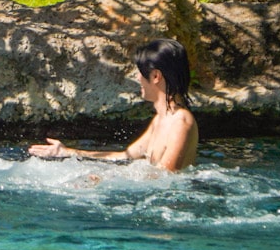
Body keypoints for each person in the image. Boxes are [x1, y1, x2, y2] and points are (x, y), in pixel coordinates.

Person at [27, 38, 199, 171]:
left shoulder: (180, 123)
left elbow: (166, 177)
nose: (138, 78)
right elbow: (126, 156)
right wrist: (67, 152)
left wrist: (107, 180)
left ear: (155, 76)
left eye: (140, 72)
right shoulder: (160, 120)